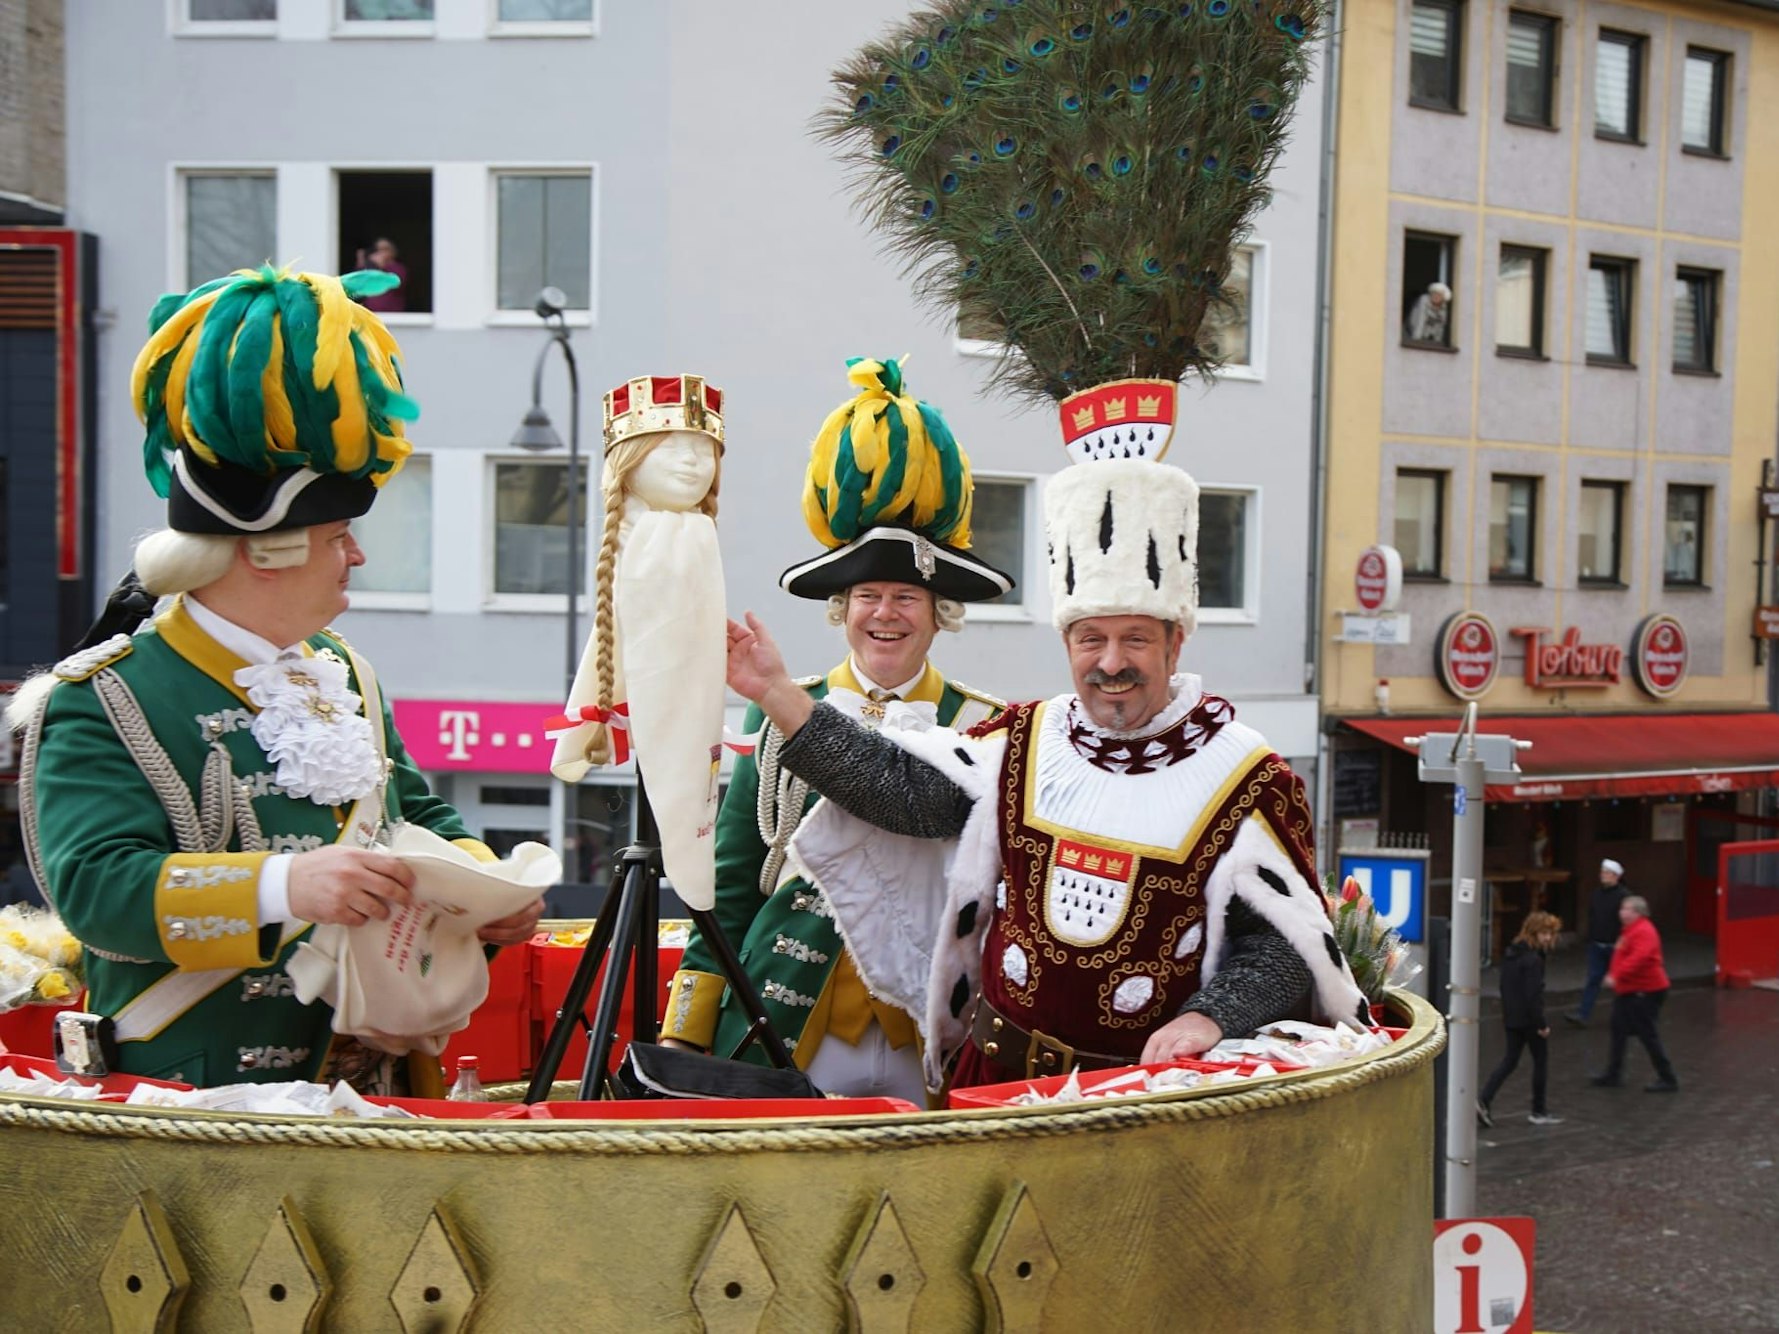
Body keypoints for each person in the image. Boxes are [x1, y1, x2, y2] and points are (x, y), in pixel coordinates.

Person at [6, 265, 541, 1092]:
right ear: (266, 552)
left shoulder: (345, 671)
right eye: (337, 537)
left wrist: (483, 884)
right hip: (201, 1093)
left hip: (374, 1083)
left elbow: (416, 811)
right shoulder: (105, 696)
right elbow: (97, 892)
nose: (357, 555)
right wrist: (286, 886)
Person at [724, 446, 1368, 1094]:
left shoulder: (1249, 777)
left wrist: (1211, 1015)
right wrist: (775, 692)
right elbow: (901, 792)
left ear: (1175, 643)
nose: (1110, 663)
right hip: (993, 1086)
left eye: (1135, 639)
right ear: (1067, 643)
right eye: (1091, 639)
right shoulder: (1022, 740)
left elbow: (1285, 945)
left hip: (1145, 1103)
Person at [659, 358, 1010, 1101]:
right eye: (866, 595)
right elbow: (733, 880)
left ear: (939, 614)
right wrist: (687, 1023)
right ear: (841, 610)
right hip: (790, 1016)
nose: (884, 614)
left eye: (906, 597)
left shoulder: (985, 725)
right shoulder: (779, 709)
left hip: (931, 1029)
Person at [550, 373, 728, 916]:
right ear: (629, 462)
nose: (692, 462)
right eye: (672, 447)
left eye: (704, 450)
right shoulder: (650, 545)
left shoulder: (695, 541)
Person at [1477, 911, 1563, 1128]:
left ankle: (1485, 1098)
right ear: (1534, 932)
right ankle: (1538, 1110)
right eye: (1544, 933)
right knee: (1540, 1061)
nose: (1548, 938)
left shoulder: (1512, 954)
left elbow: (1506, 986)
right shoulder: (1533, 960)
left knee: (1510, 1060)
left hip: (1512, 1017)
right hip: (1529, 1020)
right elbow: (1533, 995)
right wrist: (1541, 1024)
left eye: (1550, 933)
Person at [1591, 895, 1678, 1093]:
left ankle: (1668, 1077)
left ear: (1638, 912)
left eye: (1627, 909)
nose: (1622, 912)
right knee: (1618, 1030)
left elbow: (1639, 958)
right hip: (1629, 990)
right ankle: (1614, 1073)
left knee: (1647, 1034)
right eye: (1622, 908)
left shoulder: (1644, 931)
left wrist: (1616, 975)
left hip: (1645, 991)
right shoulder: (1630, 930)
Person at [1565, 857, 1626, 1027]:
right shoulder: (1596, 894)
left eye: (1607, 873)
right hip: (1597, 944)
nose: (1603, 875)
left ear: (1616, 876)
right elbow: (1592, 916)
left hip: (1615, 946)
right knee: (1593, 979)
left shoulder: (1624, 896)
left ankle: (1624, 1016)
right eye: (1602, 872)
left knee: (1620, 982)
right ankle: (1583, 1014)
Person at [354, 238, 407, 313]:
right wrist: (361, 262)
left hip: (392, 314)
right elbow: (357, 285)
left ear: (393, 252)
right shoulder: (370, 267)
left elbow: (396, 283)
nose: (380, 252)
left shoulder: (397, 267)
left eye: (385, 249)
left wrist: (380, 266)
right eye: (377, 249)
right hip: (370, 312)